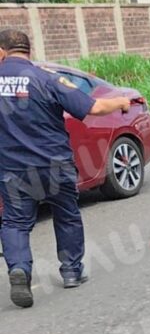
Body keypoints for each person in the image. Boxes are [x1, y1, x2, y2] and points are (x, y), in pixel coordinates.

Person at [0, 29, 131, 308]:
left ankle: (19, 269)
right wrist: (120, 101)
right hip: (54, 164)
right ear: (27, 51)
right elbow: (93, 108)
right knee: (67, 214)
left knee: (15, 222)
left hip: (14, 170)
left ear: (2, 52)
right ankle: (71, 272)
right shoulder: (47, 78)